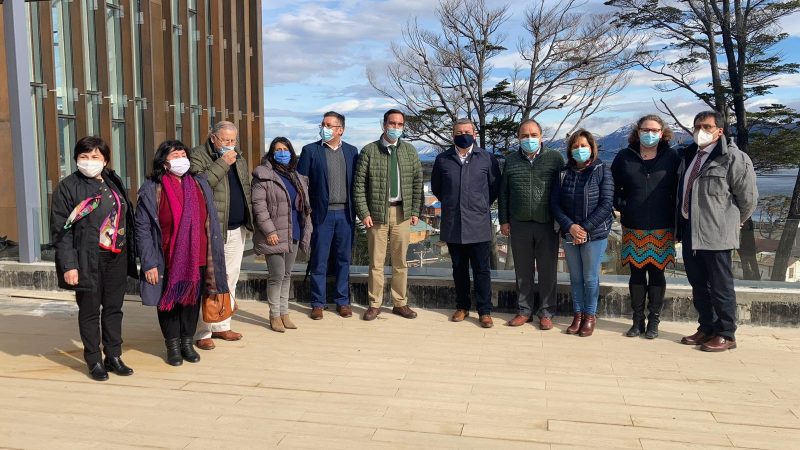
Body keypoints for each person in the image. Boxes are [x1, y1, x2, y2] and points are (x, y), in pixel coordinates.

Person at [50, 136, 138, 381]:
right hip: (87, 257)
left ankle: (114, 355)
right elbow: (61, 231)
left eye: (95, 157)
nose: (89, 161)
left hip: (116, 256)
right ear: (76, 159)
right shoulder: (68, 187)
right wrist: (69, 265)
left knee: (114, 308)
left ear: (105, 160)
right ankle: (94, 360)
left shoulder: (113, 180)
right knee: (89, 311)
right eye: (84, 156)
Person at [135, 140, 229, 366]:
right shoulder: (152, 188)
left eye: (183, 154)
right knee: (168, 302)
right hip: (165, 256)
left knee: (191, 301)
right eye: (174, 155)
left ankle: (187, 343)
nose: (181, 159)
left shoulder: (198, 184)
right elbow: (142, 228)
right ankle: (173, 346)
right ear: (164, 161)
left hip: (198, 254)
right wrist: (148, 263)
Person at [677, 111, 757, 352]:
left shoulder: (733, 158)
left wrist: (733, 222)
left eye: (707, 126)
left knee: (721, 286)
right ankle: (707, 327)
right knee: (699, 284)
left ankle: (726, 333)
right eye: (697, 126)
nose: (701, 131)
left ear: (719, 131)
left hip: (717, 233)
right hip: (691, 230)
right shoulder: (690, 155)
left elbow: (748, 199)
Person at [611, 115, 681, 339]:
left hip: (663, 225)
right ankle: (637, 320)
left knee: (658, 274)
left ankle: (654, 321)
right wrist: (623, 205)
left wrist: (678, 220)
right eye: (645, 130)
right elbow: (612, 186)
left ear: (662, 133)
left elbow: (680, 190)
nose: (650, 134)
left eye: (654, 130)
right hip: (634, 225)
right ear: (637, 131)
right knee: (637, 274)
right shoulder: (624, 156)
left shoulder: (672, 157)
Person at [354, 109, 424, 321]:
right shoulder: (369, 151)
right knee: (376, 263)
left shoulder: (410, 151)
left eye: (400, 124)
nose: (396, 127)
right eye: (392, 123)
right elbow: (358, 186)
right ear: (384, 125)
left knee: (400, 262)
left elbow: (417, 183)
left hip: (402, 213)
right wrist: (364, 212)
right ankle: (374, 304)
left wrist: (415, 211)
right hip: (376, 214)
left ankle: (400, 303)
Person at [431, 119, 501, 328]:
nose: (464, 135)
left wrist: (479, 205)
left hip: (479, 223)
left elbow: (494, 188)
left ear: (475, 134)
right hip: (453, 223)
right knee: (458, 268)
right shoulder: (443, 159)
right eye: (459, 132)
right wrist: (453, 202)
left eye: (467, 131)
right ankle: (462, 307)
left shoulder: (487, 158)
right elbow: (437, 188)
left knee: (482, 269)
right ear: (453, 135)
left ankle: (484, 311)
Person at [190, 121, 252, 349]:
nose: (230, 144)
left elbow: (245, 188)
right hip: (213, 228)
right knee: (210, 279)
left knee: (230, 277)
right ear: (213, 137)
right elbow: (200, 185)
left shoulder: (240, 157)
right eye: (225, 140)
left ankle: (222, 324)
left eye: (233, 140)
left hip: (237, 227)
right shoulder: (198, 155)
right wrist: (223, 163)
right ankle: (203, 330)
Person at [499, 119, 564, 330]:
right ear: (518, 138)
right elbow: (504, 192)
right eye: (525, 135)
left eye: (533, 135)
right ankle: (524, 311)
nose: (529, 139)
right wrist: (504, 220)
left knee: (548, 270)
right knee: (522, 271)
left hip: (547, 223)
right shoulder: (511, 161)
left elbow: (563, 190)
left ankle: (546, 312)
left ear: (541, 137)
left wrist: (561, 220)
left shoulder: (555, 158)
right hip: (519, 223)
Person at [551, 129, 614, 337]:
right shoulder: (563, 173)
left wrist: (584, 228)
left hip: (594, 234)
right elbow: (555, 204)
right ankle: (577, 314)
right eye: (575, 146)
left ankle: (590, 316)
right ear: (570, 150)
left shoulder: (602, 171)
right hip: (570, 232)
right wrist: (571, 227)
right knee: (576, 277)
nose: (580, 149)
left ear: (592, 148)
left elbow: (606, 204)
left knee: (590, 277)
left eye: (584, 146)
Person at [298, 111, 359, 320]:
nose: (324, 128)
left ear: (340, 130)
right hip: (321, 215)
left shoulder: (352, 152)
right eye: (323, 124)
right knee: (319, 260)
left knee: (343, 259)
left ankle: (342, 301)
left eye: (329, 125)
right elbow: (301, 185)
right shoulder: (310, 151)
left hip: (345, 215)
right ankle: (318, 303)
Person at [251, 137, 312, 332]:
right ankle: (274, 315)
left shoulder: (296, 176)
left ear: (291, 153)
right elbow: (259, 207)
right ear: (271, 153)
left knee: (287, 275)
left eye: (285, 149)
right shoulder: (263, 176)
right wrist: (269, 231)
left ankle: (285, 313)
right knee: (276, 275)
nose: (282, 153)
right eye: (278, 150)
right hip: (274, 233)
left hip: (293, 230)